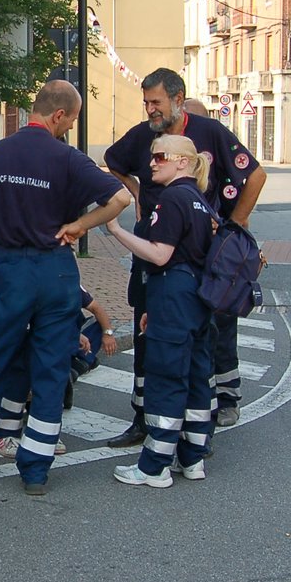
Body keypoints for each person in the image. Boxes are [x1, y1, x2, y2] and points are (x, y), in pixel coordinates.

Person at [0, 80, 130, 496]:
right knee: (51, 368)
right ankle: (36, 469)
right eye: (71, 120)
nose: (70, 127)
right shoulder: (69, 159)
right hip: (57, 272)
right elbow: (121, 199)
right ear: (59, 115)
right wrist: (78, 225)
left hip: (8, 271)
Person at [103, 68, 264, 446]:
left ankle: (208, 417)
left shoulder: (210, 133)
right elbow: (115, 160)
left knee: (206, 333)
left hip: (196, 259)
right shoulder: (143, 136)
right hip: (153, 255)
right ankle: (144, 417)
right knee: (147, 333)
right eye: (146, 103)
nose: (150, 110)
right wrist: (138, 192)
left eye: (155, 102)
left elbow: (254, 176)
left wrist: (233, 228)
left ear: (178, 98)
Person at [105, 134, 215, 487]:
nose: (151, 163)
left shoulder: (171, 199)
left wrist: (116, 229)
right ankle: (193, 458)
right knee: (198, 375)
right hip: (198, 296)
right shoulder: (199, 199)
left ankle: (154, 466)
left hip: (173, 291)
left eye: (160, 157)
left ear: (182, 161)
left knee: (166, 375)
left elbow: (160, 254)